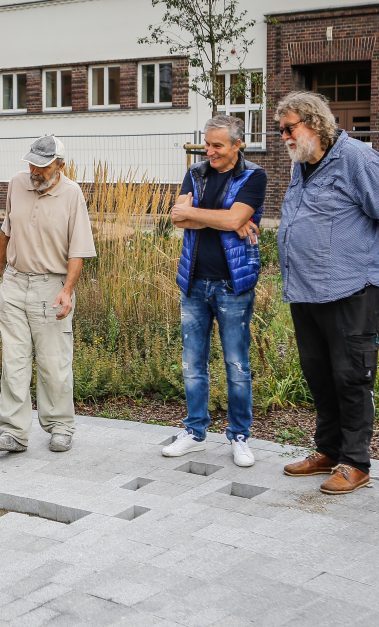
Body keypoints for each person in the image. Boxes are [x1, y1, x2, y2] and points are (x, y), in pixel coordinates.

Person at [276, 91, 379, 494]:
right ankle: (328, 450)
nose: (284, 135)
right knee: (319, 374)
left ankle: (356, 461)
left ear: (315, 124)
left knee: (351, 376)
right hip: (306, 291)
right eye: (281, 128)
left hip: (352, 289)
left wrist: (371, 251)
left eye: (290, 128)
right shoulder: (301, 163)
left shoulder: (357, 159)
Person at [162, 115, 266, 468]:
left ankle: (239, 436)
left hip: (232, 284)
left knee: (237, 364)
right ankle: (194, 432)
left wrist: (200, 214)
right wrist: (222, 218)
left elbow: (237, 221)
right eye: (207, 144)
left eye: (217, 146)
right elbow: (177, 218)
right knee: (193, 363)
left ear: (238, 145)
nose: (210, 152)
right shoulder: (196, 173)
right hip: (193, 281)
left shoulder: (254, 176)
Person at [0, 135, 96, 453]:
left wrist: (68, 290)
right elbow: (7, 228)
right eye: (32, 162)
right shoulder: (16, 184)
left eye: (43, 166)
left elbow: (78, 250)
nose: (35, 169)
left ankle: (60, 426)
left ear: (60, 165)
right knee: (14, 360)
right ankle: (14, 433)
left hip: (51, 285)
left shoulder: (72, 194)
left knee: (53, 362)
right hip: (15, 283)